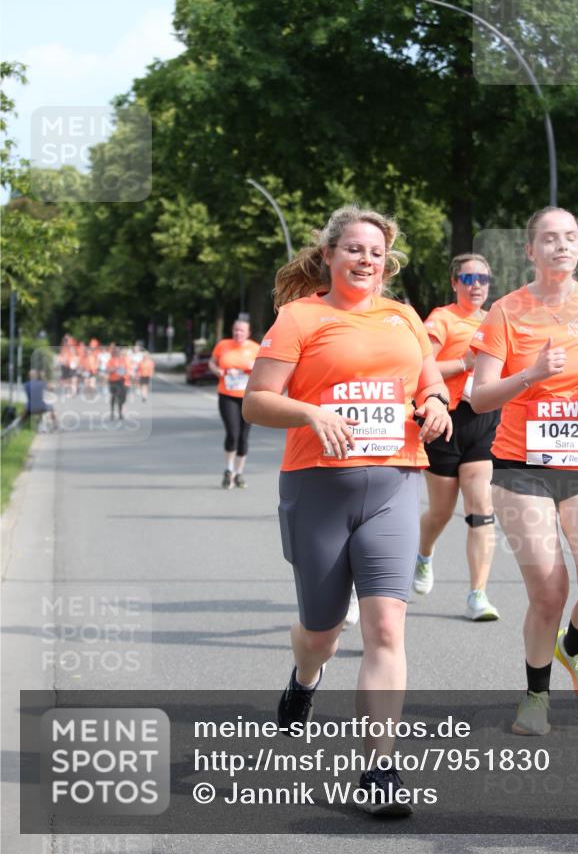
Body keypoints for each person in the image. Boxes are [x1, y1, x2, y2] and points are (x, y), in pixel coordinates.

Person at [243, 205, 452, 814]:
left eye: (376, 253)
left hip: (392, 484)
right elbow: (257, 402)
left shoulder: (404, 317)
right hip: (316, 488)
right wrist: (311, 412)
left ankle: (379, 770)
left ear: (387, 263)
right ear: (330, 256)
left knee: (386, 627)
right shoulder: (300, 317)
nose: (366, 260)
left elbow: (429, 383)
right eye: (355, 250)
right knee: (322, 634)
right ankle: (304, 679)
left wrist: (436, 405)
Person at [471, 207, 578, 736]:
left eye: (571, 238)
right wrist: (531, 375)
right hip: (522, 467)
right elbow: (478, 394)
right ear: (530, 251)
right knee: (550, 591)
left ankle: (574, 648)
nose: (562, 246)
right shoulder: (506, 312)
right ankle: (536, 695)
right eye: (550, 239)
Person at [413, 254, 500, 621]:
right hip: (444, 421)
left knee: (481, 508)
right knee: (442, 511)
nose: (476, 284)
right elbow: (422, 366)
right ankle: (424, 554)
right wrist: (465, 362)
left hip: (483, 420)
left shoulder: (499, 320)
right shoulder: (442, 318)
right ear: (454, 283)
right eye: (468, 278)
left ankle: (477, 594)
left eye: (483, 277)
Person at [209, 319, 260, 489]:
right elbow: (212, 362)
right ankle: (228, 470)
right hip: (227, 394)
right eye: (236, 330)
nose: (238, 333)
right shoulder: (223, 345)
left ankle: (239, 473)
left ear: (248, 333)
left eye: (242, 331)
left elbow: (263, 369)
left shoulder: (255, 348)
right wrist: (216, 370)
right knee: (233, 433)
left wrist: (254, 369)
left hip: (248, 397)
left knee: (244, 436)